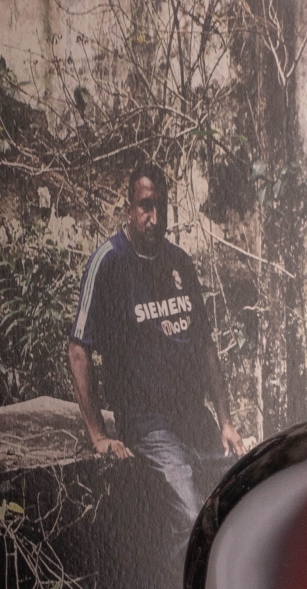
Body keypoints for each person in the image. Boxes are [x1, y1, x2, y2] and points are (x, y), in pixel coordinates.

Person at [67, 162, 244, 528]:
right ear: (129, 208)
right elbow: (78, 349)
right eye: (145, 206)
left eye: (161, 206)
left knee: (239, 501)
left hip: (193, 416)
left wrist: (226, 421)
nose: (155, 218)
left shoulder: (179, 262)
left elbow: (205, 347)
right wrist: (98, 435)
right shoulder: (109, 263)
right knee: (193, 518)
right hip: (146, 425)